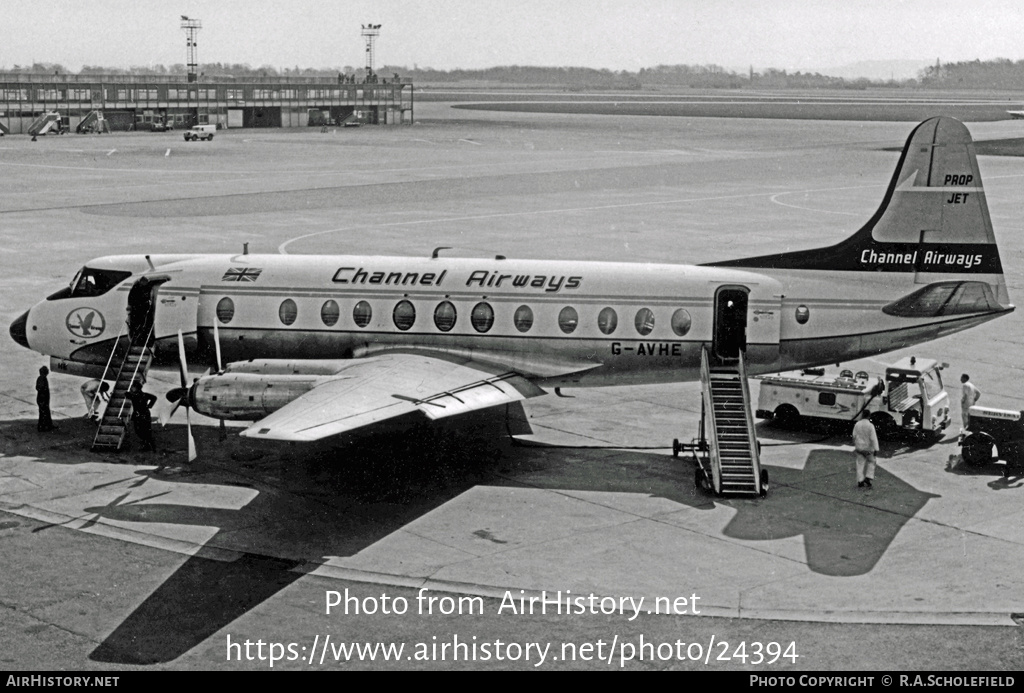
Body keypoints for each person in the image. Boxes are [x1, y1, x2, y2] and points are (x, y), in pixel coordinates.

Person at [127, 382, 158, 452]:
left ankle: (150, 446)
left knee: (141, 431)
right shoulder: (144, 395)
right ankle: (148, 445)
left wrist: (149, 406)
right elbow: (154, 398)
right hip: (143, 414)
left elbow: (154, 398)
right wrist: (149, 406)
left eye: (133, 387)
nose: (131, 388)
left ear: (137, 388)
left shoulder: (135, 395)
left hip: (142, 415)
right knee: (141, 431)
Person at [852, 411, 879, 489]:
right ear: (869, 416)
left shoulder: (857, 424)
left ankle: (860, 481)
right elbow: (873, 438)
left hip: (859, 448)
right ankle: (868, 477)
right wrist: (876, 449)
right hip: (868, 449)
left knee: (860, 464)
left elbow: (854, 436)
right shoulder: (870, 426)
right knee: (872, 461)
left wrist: (855, 444)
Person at [36, 366, 55, 432]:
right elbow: (40, 388)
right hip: (43, 399)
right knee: (43, 413)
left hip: (42, 399)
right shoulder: (42, 379)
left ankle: (47, 426)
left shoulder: (41, 378)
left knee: (44, 413)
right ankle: (43, 427)